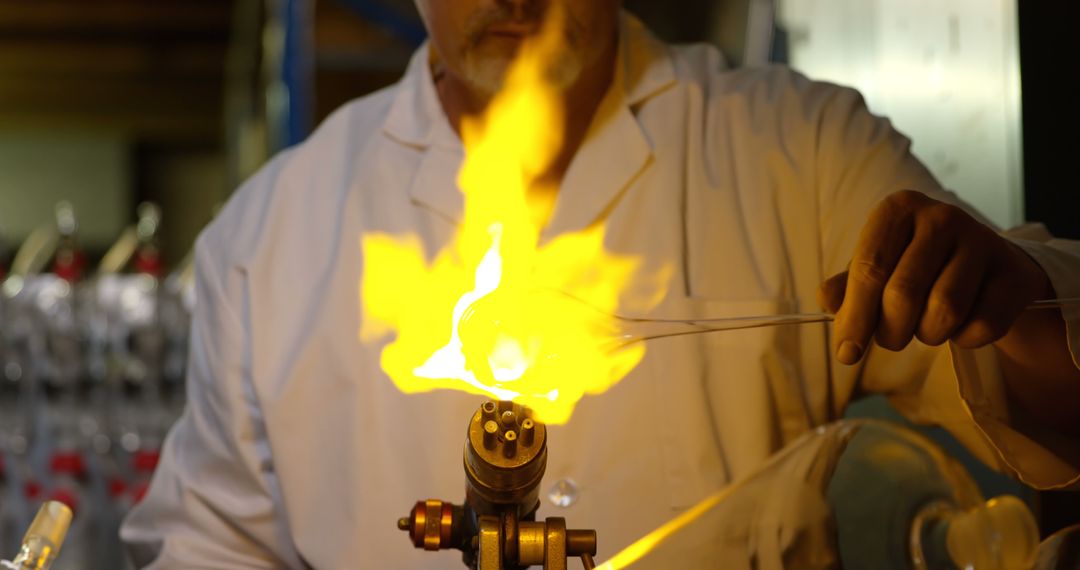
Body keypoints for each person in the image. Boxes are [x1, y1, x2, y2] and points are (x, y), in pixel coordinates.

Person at [121, 0, 1080, 567]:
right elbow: (211, 546)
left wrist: (1009, 301)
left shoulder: (794, 151)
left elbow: (1049, 379)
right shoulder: (271, 232)